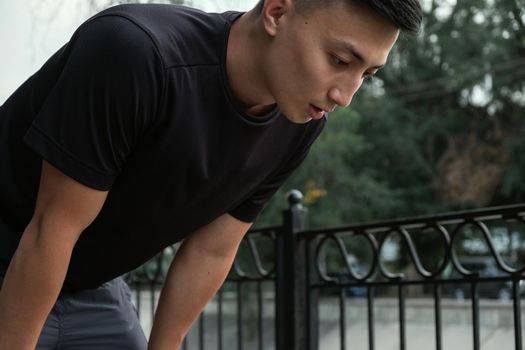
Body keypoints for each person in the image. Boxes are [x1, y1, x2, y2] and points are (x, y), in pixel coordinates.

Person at [0, 0, 422, 348]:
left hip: (90, 285)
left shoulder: (300, 122)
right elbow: (51, 231)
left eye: (365, 74)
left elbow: (211, 251)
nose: (345, 96)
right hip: (24, 252)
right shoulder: (136, 51)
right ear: (277, 12)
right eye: (339, 60)